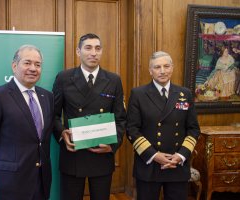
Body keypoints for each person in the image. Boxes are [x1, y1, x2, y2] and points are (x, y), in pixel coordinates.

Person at [0, 44, 54, 200]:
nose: (33, 68)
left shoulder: (47, 97)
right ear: (14, 66)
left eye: (38, 65)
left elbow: (42, 140)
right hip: (10, 182)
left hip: (41, 181)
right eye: (27, 63)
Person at [52, 33, 126, 200]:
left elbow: (121, 119)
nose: (94, 53)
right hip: (73, 156)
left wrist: (112, 146)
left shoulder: (113, 80)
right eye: (88, 48)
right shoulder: (64, 78)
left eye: (98, 48)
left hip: (102, 155)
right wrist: (62, 134)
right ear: (78, 52)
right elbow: (53, 115)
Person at [126, 51, 200, 200]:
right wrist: (154, 155)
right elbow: (132, 129)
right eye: (157, 67)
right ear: (150, 71)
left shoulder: (184, 93)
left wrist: (181, 155)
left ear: (172, 68)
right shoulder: (138, 94)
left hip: (177, 165)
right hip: (149, 164)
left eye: (166, 66)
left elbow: (193, 129)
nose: (162, 71)